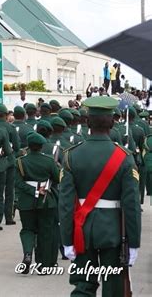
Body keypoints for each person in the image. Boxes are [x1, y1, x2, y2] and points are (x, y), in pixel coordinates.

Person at [59, 96, 141, 296]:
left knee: (83, 286)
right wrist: (134, 242)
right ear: (113, 122)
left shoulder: (71, 155)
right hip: (113, 233)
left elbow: (66, 204)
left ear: (87, 122)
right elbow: (131, 206)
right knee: (113, 287)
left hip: (81, 231)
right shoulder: (124, 157)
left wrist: (66, 239)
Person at [15, 132, 59, 273]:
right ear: (41, 146)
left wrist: (33, 190)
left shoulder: (21, 161)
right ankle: (43, 265)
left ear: (29, 146)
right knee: (45, 232)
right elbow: (57, 179)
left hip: (27, 201)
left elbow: (18, 183)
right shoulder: (49, 161)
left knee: (27, 229)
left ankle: (28, 254)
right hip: (46, 200)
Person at [0, 104, 20, 225]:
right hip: (9, 161)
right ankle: (8, 217)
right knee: (9, 191)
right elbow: (16, 146)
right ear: (6, 115)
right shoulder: (11, 128)